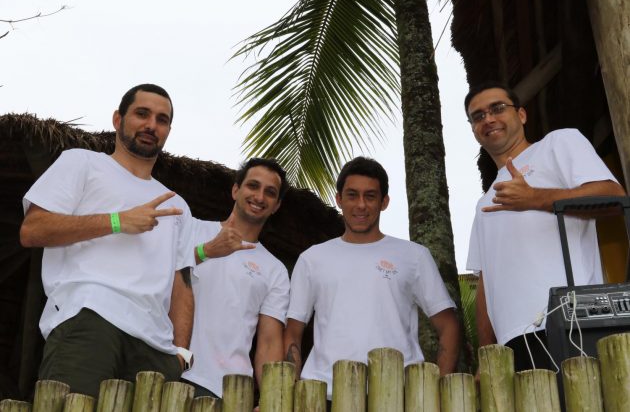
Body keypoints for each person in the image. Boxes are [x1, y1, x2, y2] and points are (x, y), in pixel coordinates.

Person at [20, 84, 196, 397]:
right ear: (118, 119)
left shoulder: (177, 205)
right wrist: (117, 221)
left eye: (162, 119)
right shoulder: (81, 163)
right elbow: (33, 229)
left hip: (156, 347)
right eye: (142, 114)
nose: (151, 125)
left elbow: (181, 281)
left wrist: (181, 352)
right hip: (90, 319)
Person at [464, 81, 626, 371]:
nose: (488, 119)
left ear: (522, 115)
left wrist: (536, 198)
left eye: (497, 108)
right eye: (477, 116)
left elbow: (613, 197)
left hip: (570, 319)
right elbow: (486, 283)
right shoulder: (484, 202)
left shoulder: (558, 143)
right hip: (511, 342)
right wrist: (485, 356)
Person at [284, 157, 460, 400]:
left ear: (384, 202)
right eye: (352, 195)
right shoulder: (312, 259)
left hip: (398, 394)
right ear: (339, 199)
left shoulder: (414, 256)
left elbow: (448, 326)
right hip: (324, 395)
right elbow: (293, 331)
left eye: (370, 196)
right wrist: (288, 391)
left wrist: (434, 393)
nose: (361, 205)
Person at [181, 158, 290, 399]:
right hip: (172, 374)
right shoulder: (192, 230)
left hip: (230, 391)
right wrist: (205, 250)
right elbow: (157, 276)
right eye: (253, 186)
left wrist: (272, 400)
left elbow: (270, 342)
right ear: (235, 189)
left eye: (270, 192)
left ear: (276, 205)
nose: (260, 197)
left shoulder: (276, 270)